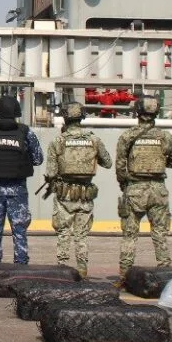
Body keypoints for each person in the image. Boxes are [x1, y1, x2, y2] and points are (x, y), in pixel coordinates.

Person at [114, 94, 172, 276]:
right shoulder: (165, 137)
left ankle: (125, 275)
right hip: (158, 190)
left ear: (137, 112)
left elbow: (120, 166)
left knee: (129, 235)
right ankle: (165, 273)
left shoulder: (127, 136)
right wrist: (158, 163)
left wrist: (124, 184)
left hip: (134, 189)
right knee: (160, 234)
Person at [43, 102, 112, 277]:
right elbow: (108, 162)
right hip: (85, 195)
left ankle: (62, 268)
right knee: (81, 234)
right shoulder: (94, 140)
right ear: (82, 116)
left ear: (65, 117)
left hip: (64, 194)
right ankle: (82, 269)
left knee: (63, 232)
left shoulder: (58, 141)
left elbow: (51, 172)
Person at [0, 95, 44, 265]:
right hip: (18, 190)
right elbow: (38, 158)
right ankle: (20, 266)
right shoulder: (25, 132)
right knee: (19, 230)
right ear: (16, 112)